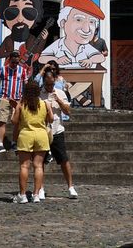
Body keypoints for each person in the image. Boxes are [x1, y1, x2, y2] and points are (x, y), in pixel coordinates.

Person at [12, 79, 53, 203]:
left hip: (26, 135)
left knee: (24, 166)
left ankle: (22, 195)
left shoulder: (21, 104)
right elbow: (51, 119)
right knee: (38, 166)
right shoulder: (44, 103)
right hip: (41, 135)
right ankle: (36, 194)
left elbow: (14, 121)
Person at [38, 0, 107, 69]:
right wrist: (56, 59)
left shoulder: (86, 47)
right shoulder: (57, 45)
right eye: (78, 20)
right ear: (63, 23)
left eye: (92, 21)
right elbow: (41, 58)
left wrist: (90, 60)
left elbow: (101, 57)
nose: (86, 29)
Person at [42, 68, 78, 199]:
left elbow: (68, 111)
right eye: (47, 84)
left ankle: (70, 186)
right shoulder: (40, 94)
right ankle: (40, 187)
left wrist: (59, 100)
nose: (49, 87)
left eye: (51, 84)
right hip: (43, 131)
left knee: (63, 160)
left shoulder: (60, 92)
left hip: (57, 130)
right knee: (40, 161)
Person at [0, 49, 30, 154]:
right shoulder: (3, 69)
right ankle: (0, 144)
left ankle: (14, 143)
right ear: (9, 60)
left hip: (18, 99)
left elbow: (26, 86)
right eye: (13, 62)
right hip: (5, 98)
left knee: (16, 122)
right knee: (2, 121)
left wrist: (25, 100)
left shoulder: (22, 70)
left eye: (17, 62)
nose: (15, 64)